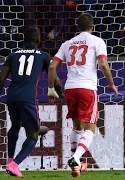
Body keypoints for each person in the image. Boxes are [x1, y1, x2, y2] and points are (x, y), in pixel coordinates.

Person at [47, 13, 118, 177]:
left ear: (77, 27)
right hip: (87, 88)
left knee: (77, 126)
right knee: (90, 127)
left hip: (70, 88)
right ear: (91, 27)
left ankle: (76, 165)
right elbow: (103, 64)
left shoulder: (67, 44)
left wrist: (51, 88)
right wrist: (111, 83)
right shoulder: (97, 41)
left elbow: (52, 67)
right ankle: (76, 157)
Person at [0, 27, 62, 177]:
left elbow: (1, 78)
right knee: (33, 135)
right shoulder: (43, 56)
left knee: (15, 126)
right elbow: (54, 79)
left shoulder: (13, 55)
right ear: (38, 40)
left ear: (23, 40)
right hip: (28, 98)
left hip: (12, 96)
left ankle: (10, 159)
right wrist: (61, 93)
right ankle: (14, 165)